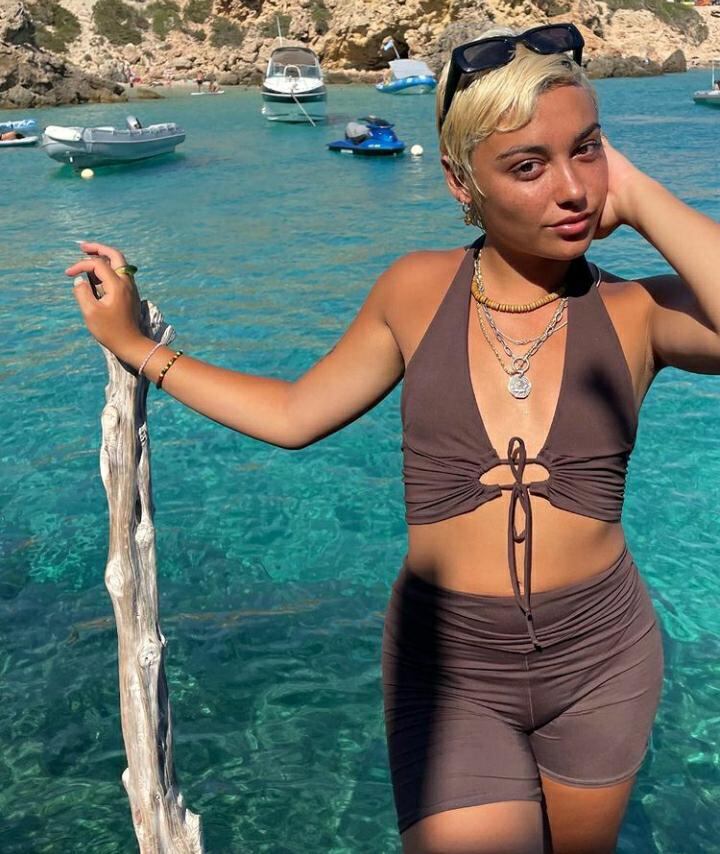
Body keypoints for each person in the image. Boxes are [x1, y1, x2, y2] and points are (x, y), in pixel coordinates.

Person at [65, 22, 720, 853]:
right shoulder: (416, 292)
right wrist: (139, 348)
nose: (572, 190)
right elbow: (295, 415)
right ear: (459, 182)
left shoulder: (635, 313)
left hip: (603, 656)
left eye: (586, 150)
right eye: (527, 166)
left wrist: (638, 191)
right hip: (450, 665)